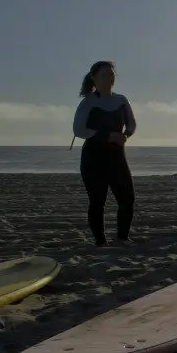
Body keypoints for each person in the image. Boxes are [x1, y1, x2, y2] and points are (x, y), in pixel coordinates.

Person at [72, 61, 136, 246]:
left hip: (116, 156)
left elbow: (131, 123)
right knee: (97, 201)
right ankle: (100, 241)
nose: (110, 78)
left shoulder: (121, 100)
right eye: (105, 74)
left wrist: (126, 135)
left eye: (112, 74)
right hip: (94, 157)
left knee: (127, 198)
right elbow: (78, 129)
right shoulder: (89, 102)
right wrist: (108, 135)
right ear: (94, 78)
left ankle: (123, 237)